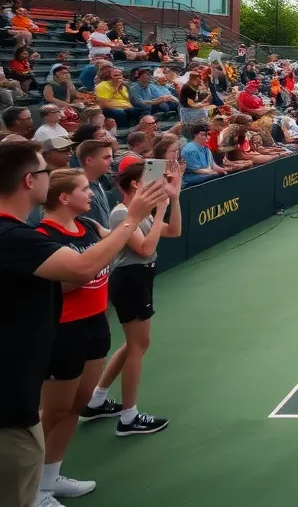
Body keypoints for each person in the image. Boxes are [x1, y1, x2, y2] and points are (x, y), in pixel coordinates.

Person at [37, 169, 146, 502]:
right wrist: (87, 265)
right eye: (84, 189)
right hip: (63, 330)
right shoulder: (44, 235)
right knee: (52, 413)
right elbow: (64, 284)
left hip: (95, 323)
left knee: (77, 405)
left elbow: (111, 250)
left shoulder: (87, 226)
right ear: (64, 198)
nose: (91, 194)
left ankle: (48, 480)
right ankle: (24, 484)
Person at [81, 158, 181, 436]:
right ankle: (129, 417)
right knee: (139, 346)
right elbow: (146, 249)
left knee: (133, 345)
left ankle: (96, 400)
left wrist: (175, 199)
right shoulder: (122, 213)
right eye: (156, 181)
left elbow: (175, 231)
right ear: (136, 184)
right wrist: (160, 209)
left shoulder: (141, 212)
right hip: (131, 279)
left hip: (141, 278)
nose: (161, 184)